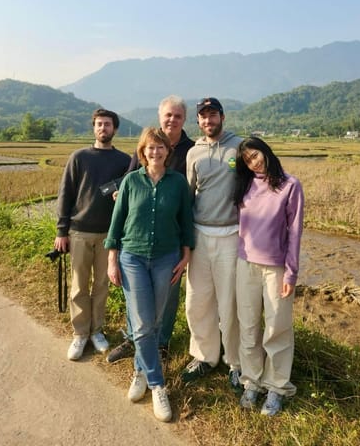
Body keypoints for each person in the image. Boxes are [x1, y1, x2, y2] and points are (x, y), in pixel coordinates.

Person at [105, 127, 194, 422]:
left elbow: (186, 222)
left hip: (166, 259)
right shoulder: (131, 181)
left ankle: (140, 371)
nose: (155, 152)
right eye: (149, 148)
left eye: (161, 148)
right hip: (132, 258)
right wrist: (112, 260)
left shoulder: (178, 183)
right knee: (143, 325)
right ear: (142, 152)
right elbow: (117, 223)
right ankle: (158, 385)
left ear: (168, 151)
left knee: (154, 322)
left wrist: (187, 254)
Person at [233, 137, 304, 416]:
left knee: (278, 327)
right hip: (246, 264)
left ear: (266, 151)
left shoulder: (290, 185)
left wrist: (291, 272)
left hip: (276, 268)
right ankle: (251, 381)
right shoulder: (245, 185)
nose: (255, 161)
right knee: (248, 326)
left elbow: (295, 233)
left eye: (256, 154)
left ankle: (276, 387)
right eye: (248, 159)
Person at [54, 108, 131, 361]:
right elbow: (66, 194)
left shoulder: (124, 161)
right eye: (99, 124)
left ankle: (97, 330)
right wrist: (61, 230)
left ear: (114, 129)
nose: (103, 128)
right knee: (79, 285)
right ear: (94, 128)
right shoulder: (79, 157)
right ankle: (79, 333)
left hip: (109, 234)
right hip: (79, 232)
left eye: (107, 124)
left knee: (101, 285)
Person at [182, 97, 243, 387]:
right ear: (198, 121)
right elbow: (189, 194)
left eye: (213, 115)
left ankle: (236, 362)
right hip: (200, 236)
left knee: (230, 301)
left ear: (222, 117)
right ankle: (205, 356)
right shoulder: (194, 153)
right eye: (203, 116)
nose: (208, 121)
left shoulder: (239, 147)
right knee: (197, 300)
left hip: (231, 235)